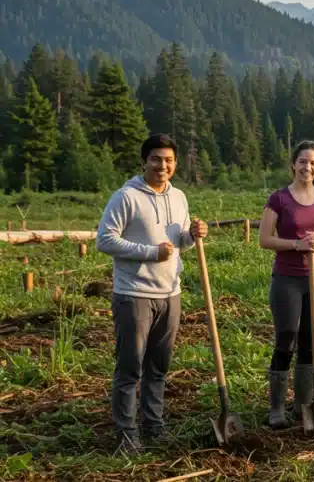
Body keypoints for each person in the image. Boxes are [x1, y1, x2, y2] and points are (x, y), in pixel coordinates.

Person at [97, 134, 207, 453]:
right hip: (134, 293)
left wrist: (192, 234)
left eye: (169, 160)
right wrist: (149, 252)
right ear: (144, 161)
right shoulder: (126, 197)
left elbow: (179, 242)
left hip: (170, 291)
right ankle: (127, 434)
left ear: (176, 163)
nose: (163, 165)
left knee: (159, 365)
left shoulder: (179, 197)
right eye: (156, 159)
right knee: (131, 366)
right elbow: (105, 240)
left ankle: (153, 424)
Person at [257, 140, 314, 429]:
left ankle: (303, 404)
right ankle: (277, 407)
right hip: (287, 279)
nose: (308, 167)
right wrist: (296, 244)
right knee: (286, 339)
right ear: (293, 164)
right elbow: (265, 239)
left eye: (313, 163)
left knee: (310, 341)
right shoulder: (279, 199)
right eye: (303, 161)